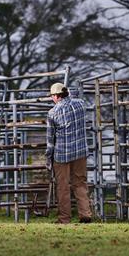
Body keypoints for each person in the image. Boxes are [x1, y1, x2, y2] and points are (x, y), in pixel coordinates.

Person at [46, 83, 92, 224]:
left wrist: (49, 158)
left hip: (62, 154)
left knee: (63, 186)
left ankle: (64, 218)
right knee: (80, 183)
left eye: (52, 96)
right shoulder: (80, 104)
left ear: (56, 96)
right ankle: (85, 214)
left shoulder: (53, 113)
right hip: (80, 152)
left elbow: (50, 140)